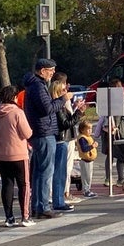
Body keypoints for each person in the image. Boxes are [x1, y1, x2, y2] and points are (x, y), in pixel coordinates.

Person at [24, 59, 65, 220]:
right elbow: (47, 108)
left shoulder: (34, 85)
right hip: (44, 132)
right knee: (46, 171)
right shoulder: (38, 86)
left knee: (39, 171)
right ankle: (43, 206)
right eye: (50, 70)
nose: (52, 73)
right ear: (42, 71)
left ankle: (37, 205)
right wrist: (62, 100)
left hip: (41, 131)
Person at [0, 85, 34, 228]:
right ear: (14, 97)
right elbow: (27, 133)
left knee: (7, 184)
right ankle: (25, 216)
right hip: (18, 153)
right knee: (24, 184)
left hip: (0, 153)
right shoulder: (17, 112)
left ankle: (9, 217)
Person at [96, 79, 124, 187]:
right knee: (121, 156)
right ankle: (121, 179)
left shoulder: (105, 99)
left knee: (110, 155)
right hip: (120, 130)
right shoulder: (123, 100)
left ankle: (108, 179)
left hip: (107, 130)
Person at [49, 77, 78, 212]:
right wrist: (79, 113)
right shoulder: (58, 105)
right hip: (60, 140)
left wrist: (77, 109)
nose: (66, 92)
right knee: (59, 173)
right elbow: (65, 123)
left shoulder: (59, 105)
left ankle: (58, 199)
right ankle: (58, 200)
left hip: (62, 139)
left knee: (60, 172)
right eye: (63, 90)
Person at [76, 121, 97, 198]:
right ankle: (86, 190)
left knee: (89, 176)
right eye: (88, 129)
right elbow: (84, 149)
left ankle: (88, 189)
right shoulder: (82, 138)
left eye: (91, 129)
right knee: (86, 177)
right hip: (85, 160)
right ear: (82, 130)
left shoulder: (88, 137)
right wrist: (92, 146)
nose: (90, 131)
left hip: (90, 160)